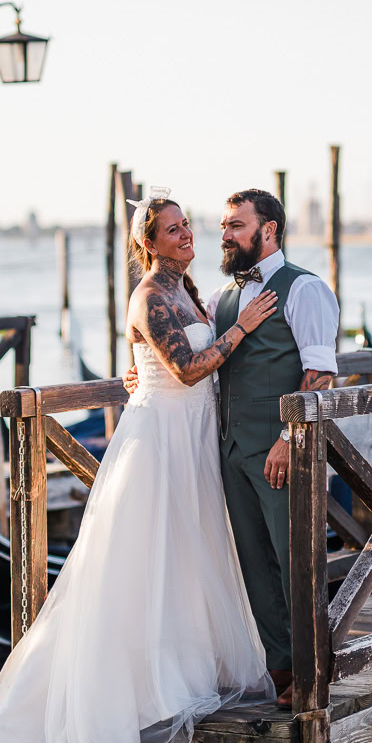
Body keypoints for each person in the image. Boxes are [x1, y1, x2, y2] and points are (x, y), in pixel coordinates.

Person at [0, 191, 278, 743]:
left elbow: (157, 361)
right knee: (137, 562)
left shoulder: (188, 291)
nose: (186, 235)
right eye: (173, 229)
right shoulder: (148, 295)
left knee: (188, 557)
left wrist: (141, 366)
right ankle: (124, 695)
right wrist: (240, 329)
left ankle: (183, 670)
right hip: (159, 437)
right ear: (149, 243)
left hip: (191, 436)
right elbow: (188, 369)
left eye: (188, 225)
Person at [126, 189, 339, 709]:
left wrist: (290, 439)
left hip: (279, 447)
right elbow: (201, 363)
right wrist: (140, 374)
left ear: (267, 230)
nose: (222, 235)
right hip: (224, 449)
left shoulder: (305, 288)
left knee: (296, 561)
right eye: (222, 225)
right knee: (252, 564)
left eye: (235, 226)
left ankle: (316, 674)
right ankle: (281, 670)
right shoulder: (219, 299)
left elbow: (321, 374)